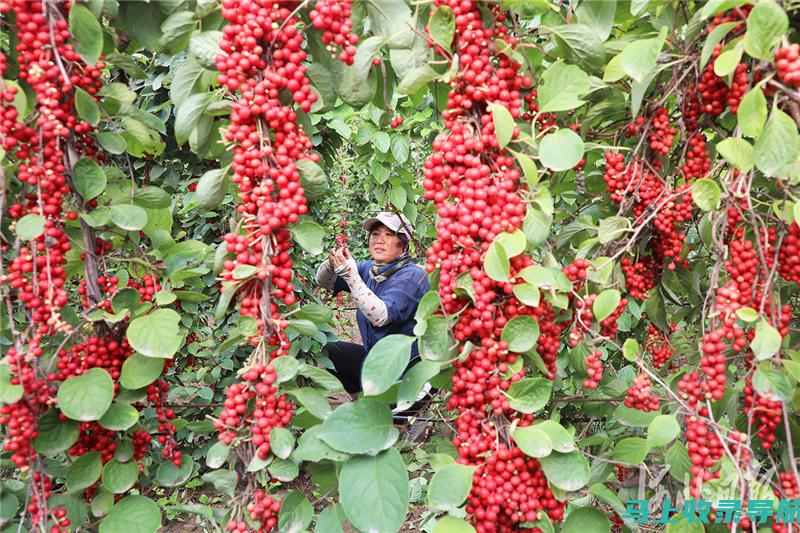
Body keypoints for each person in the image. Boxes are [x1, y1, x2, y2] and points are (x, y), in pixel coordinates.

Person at [315, 211, 430, 396]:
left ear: (404, 244)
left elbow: (381, 317)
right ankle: (362, 401)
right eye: (375, 234)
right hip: (377, 364)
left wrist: (351, 276)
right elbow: (324, 281)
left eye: (389, 235)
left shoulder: (413, 276)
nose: (379, 240)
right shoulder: (369, 269)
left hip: (403, 373)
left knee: (392, 415)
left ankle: (392, 407)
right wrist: (331, 264)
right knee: (332, 350)